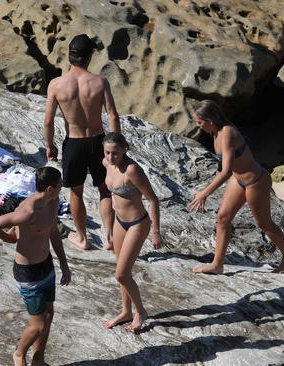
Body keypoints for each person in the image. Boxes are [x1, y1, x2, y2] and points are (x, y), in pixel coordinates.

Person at [187, 99, 284, 274]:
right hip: (238, 181)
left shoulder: (228, 132)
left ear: (211, 121)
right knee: (223, 218)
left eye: (199, 122)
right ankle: (217, 265)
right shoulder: (215, 134)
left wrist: (205, 193)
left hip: (256, 181)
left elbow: (226, 170)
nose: (198, 126)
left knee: (264, 224)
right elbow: (228, 171)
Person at [0, 166, 71, 366]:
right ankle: (19, 353)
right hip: (28, 273)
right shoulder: (27, 211)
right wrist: (8, 238)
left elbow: (53, 232)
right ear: (50, 188)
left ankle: (39, 358)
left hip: (46, 265)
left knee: (49, 314)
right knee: (38, 325)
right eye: (59, 185)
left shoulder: (53, 202)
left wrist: (64, 264)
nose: (62, 188)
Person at [43, 34, 121, 251]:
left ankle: (83, 238)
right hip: (98, 142)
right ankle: (110, 238)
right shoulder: (100, 82)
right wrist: (117, 147)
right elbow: (113, 116)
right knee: (105, 189)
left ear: (70, 55)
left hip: (74, 144)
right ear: (90, 57)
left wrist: (50, 146)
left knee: (75, 191)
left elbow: (48, 121)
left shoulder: (56, 84)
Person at [101, 133, 163, 332]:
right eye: (108, 152)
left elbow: (153, 199)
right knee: (122, 271)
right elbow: (110, 196)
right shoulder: (106, 163)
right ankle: (125, 311)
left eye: (115, 153)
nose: (111, 157)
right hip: (120, 222)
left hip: (138, 223)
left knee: (121, 274)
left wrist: (156, 231)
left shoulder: (132, 170)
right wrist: (108, 230)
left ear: (124, 150)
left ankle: (140, 311)